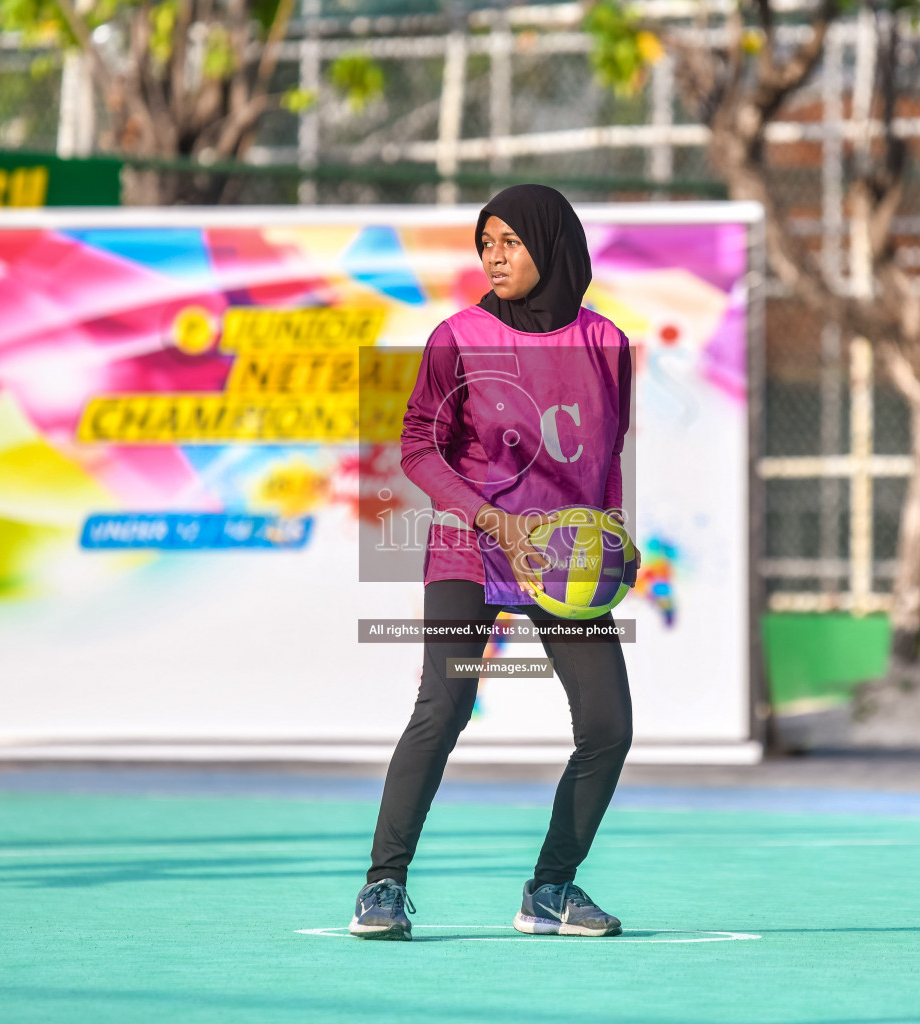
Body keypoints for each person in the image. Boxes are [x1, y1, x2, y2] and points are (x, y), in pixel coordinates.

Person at [351, 185, 634, 940]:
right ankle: (382, 886)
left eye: (511, 242)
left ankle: (550, 890)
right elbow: (417, 447)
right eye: (487, 243)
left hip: (561, 561)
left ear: (553, 245)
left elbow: (608, 454)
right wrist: (490, 521)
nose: (495, 256)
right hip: (470, 549)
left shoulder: (607, 343)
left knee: (608, 726)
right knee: (443, 708)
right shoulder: (458, 337)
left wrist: (609, 532)